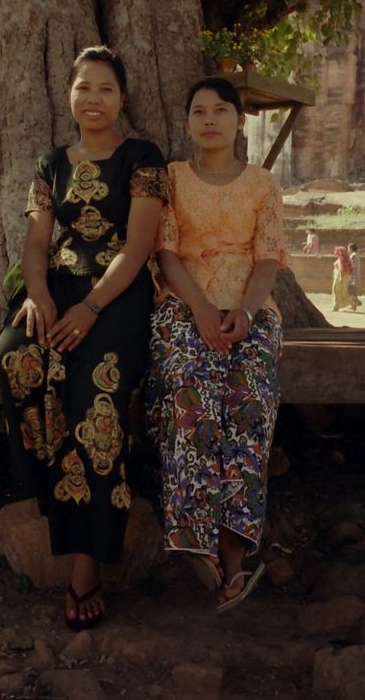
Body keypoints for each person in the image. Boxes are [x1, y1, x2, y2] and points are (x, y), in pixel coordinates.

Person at [0, 46, 168, 631]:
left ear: (122, 99)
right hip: (58, 286)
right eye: (83, 88)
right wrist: (39, 296)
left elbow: (139, 247)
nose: (93, 99)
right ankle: (54, 498)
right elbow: (36, 246)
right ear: (69, 96)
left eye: (106, 89)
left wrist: (92, 308)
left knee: (97, 390)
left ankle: (87, 560)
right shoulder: (50, 164)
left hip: (116, 295)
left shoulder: (142, 157)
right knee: (17, 355)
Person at [148, 77, 288, 613]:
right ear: (187, 122)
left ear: (239, 121)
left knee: (249, 397)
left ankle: (233, 546)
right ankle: (194, 537)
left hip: (250, 311)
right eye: (199, 111)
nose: (209, 119)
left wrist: (246, 314)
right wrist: (202, 311)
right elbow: (165, 254)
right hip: (182, 308)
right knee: (191, 387)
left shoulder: (263, 185)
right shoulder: (172, 179)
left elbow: (268, 258)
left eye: (221, 110)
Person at [332, 246, 354, 312]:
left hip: (339, 277)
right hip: (345, 277)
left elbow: (341, 269)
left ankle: (336, 307)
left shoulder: (340, 259)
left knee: (336, 291)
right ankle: (352, 304)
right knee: (343, 292)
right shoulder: (347, 259)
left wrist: (340, 278)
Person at [347, 243, 361, 311]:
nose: (348, 250)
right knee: (353, 291)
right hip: (356, 276)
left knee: (350, 291)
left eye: (348, 248)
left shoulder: (353, 256)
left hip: (353, 277)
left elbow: (352, 266)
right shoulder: (356, 255)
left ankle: (356, 302)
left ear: (351, 249)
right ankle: (353, 306)